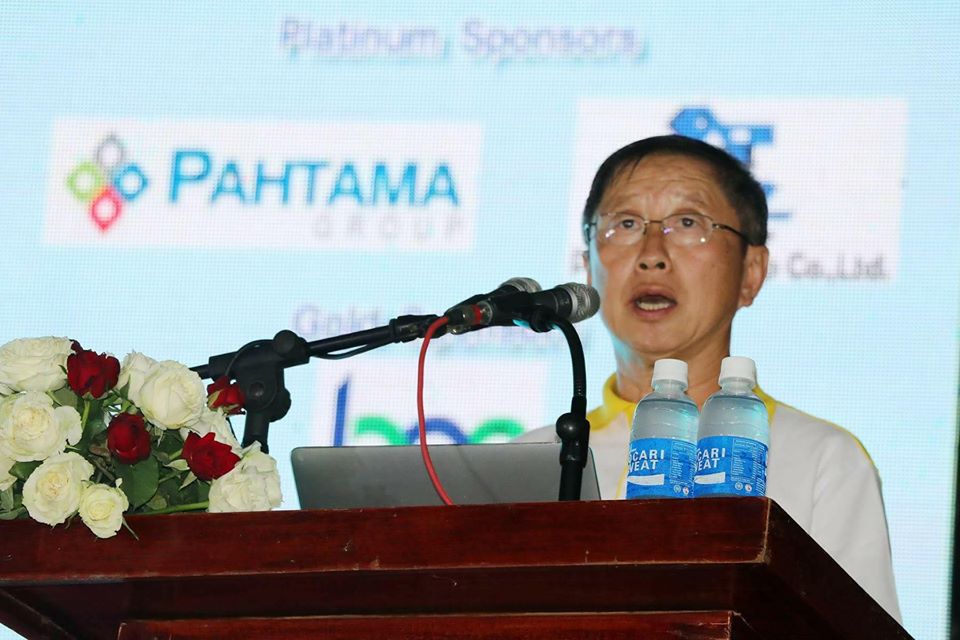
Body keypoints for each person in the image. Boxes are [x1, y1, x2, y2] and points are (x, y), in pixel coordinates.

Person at [517, 135, 901, 621]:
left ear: (751, 273)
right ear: (588, 267)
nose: (652, 254)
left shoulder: (822, 459)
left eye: (688, 224)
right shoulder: (528, 461)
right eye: (625, 224)